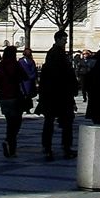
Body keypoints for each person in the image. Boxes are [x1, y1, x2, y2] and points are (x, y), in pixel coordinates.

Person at [37, 31, 78, 161]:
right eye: (64, 39)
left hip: (54, 94)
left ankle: (50, 147)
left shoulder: (55, 54)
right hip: (59, 94)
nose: (66, 41)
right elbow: (63, 75)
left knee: (53, 122)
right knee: (64, 122)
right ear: (58, 39)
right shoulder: (56, 54)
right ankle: (62, 148)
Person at [0, 45, 26, 158]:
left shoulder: (1, 65)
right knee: (16, 123)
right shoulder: (16, 65)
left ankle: (9, 144)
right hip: (14, 97)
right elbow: (25, 77)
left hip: (3, 98)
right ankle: (10, 145)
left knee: (9, 122)